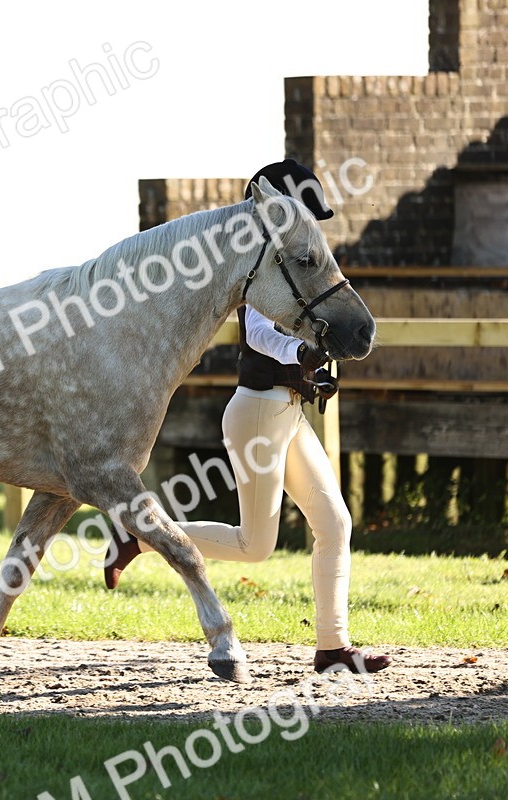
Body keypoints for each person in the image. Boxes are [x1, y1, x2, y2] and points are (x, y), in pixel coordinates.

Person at [104, 160, 391, 675]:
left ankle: (333, 648)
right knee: (255, 545)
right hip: (257, 415)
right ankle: (141, 536)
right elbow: (260, 335)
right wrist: (299, 356)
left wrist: (313, 373)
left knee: (334, 523)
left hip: (286, 414)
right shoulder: (263, 270)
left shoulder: (295, 261)